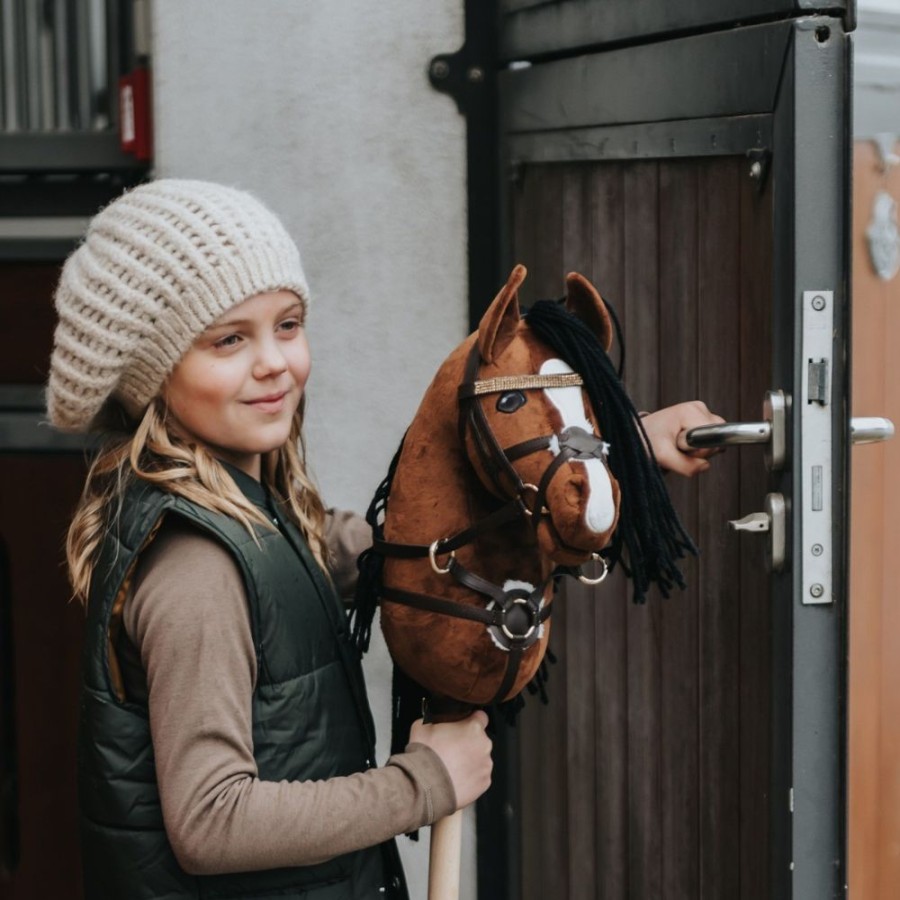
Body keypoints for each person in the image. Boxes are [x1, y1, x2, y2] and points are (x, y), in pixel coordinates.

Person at [47, 179, 721, 900]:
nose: (275, 362)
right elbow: (213, 820)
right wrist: (422, 783)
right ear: (155, 373)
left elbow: (416, 549)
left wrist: (618, 451)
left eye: (288, 324)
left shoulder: (261, 509)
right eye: (229, 339)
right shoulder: (196, 567)